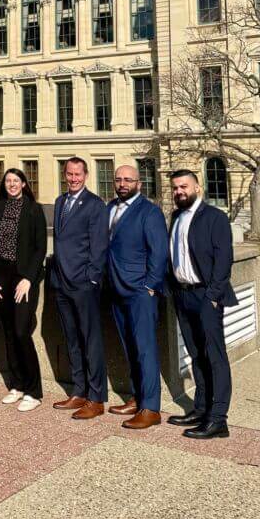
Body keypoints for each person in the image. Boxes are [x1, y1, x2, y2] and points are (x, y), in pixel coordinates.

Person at [167, 169, 237, 440]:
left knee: (215, 357)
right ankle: (200, 408)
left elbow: (224, 260)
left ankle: (218, 418)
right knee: (196, 355)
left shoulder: (215, 217)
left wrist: (212, 296)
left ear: (197, 188)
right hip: (183, 295)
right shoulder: (175, 216)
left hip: (206, 296)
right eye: (175, 187)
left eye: (184, 186)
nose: (179, 191)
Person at [106, 164, 169, 429]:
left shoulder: (150, 211)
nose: (122, 184)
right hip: (115, 288)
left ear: (138, 183)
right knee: (129, 347)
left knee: (145, 349)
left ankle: (151, 408)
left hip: (140, 292)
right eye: (118, 179)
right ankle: (136, 396)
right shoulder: (109, 208)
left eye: (128, 180)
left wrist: (150, 286)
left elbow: (159, 252)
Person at [51, 157, 109, 420]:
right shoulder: (61, 202)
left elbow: (99, 247)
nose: (73, 178)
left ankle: (96, 398)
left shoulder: (95, 205)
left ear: (86, 175)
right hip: (61, 283)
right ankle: (79, 391)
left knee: (91, 341)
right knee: (72, 339)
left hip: (84, 284)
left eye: (78, 174)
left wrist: (91, 278)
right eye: (69, 174)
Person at [0, 168, 46, 413]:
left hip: (22, 278)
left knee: (22, 331)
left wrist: (29, 278)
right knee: (8, 332)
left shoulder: (34, 209)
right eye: (8, 181)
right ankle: (17, 385)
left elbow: (40, 248)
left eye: (15, 181)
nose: (11, 184)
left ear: (23, 184)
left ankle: (34, 391)